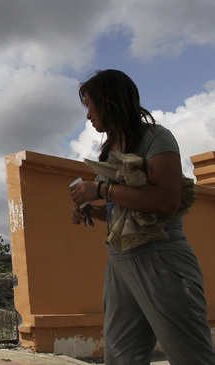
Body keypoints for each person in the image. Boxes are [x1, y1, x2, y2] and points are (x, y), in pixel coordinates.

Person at [69, 69, 215, 365]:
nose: (88, 116)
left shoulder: (156, 138)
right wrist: (93, 209)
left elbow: (166, 201)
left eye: (90, 105)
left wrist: (99, 189)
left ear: (110, 102)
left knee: (190, 354)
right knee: (122, 356)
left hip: (161, 259)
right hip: (121, 260)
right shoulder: (112, 151)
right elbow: (128, 211)